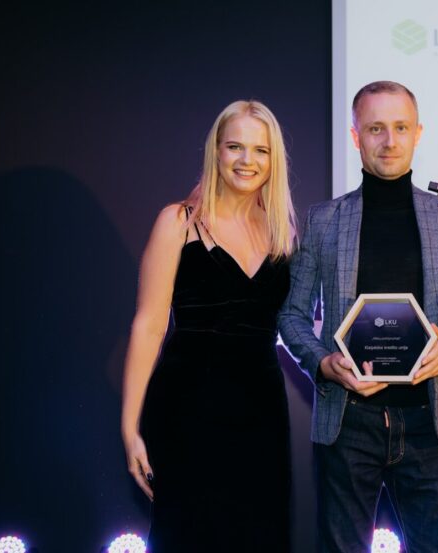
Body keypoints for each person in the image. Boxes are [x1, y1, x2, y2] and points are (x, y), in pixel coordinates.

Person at [278, 81, 438, 553]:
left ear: (418, 133)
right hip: (347, 420)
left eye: (400, 128)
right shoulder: (322, 221)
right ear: (356, 136)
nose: (389, 141)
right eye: (376, 129)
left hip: (430, 422)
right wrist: (324, 364)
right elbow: (292, 315)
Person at [120, 100, 297, 552]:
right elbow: (148, 327)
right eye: (235, 146)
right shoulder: (178, 222)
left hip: (261, 412)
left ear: (273, 159)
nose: (246, 160)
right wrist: (130, 428)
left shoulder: (283, 233)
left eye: (260, 150)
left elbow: (295, 323)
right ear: (215, 151)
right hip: (187, 409)